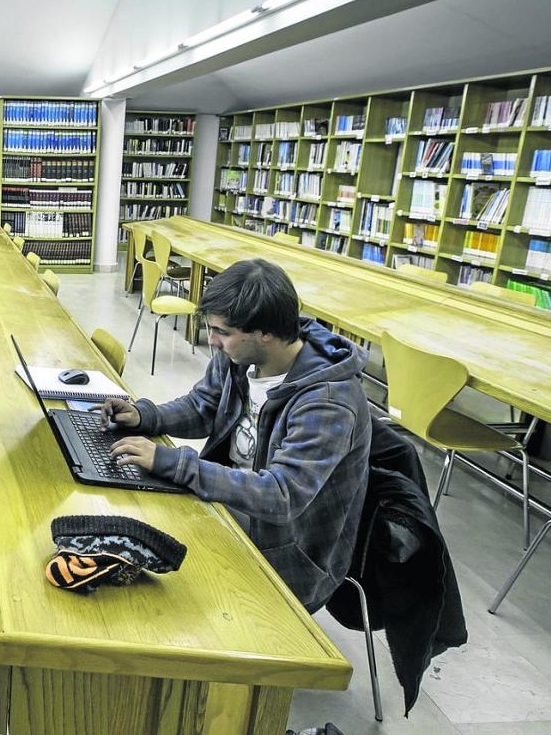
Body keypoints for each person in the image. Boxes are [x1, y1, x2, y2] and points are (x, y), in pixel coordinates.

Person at [103, 258, 370, 611]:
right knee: (134, 519)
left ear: (265, 333)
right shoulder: (241, 357)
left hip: (289, 549)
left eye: (223, 333)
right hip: (236, 503)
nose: (212, 342)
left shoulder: (329, 401)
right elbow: (203, 407)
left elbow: (281, 496)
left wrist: (177, 465)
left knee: (154, 585)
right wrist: (144, 416)